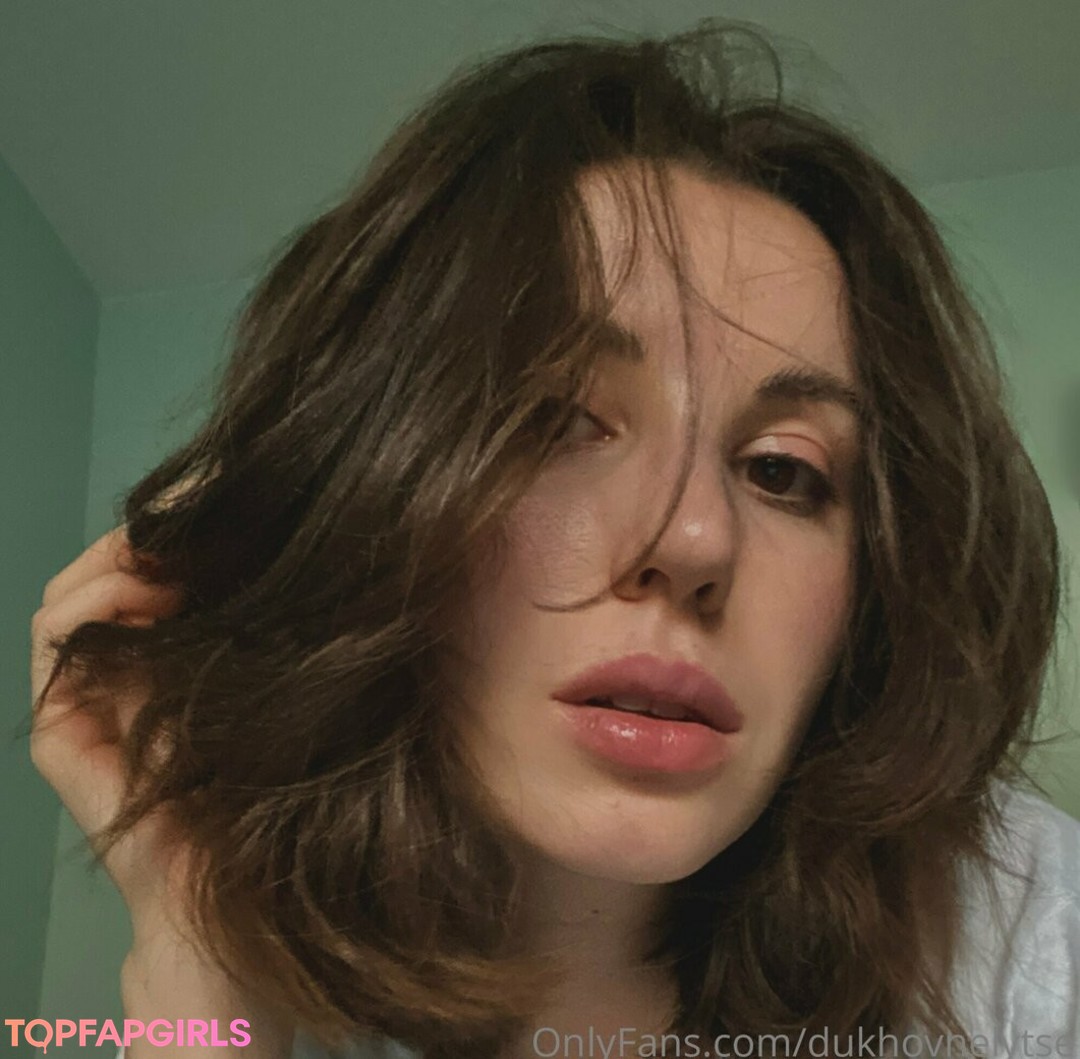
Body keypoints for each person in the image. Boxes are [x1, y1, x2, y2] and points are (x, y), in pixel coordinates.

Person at [27, 17, 1080, 1059]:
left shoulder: (1026, 950)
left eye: (781, 471)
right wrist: (195, 946)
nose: (695, 538)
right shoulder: (290, 1015)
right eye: (556, 421)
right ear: (365, 501)